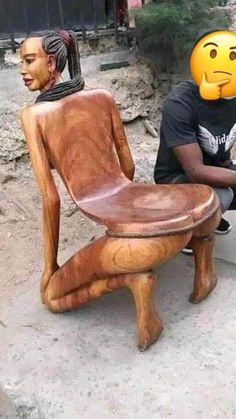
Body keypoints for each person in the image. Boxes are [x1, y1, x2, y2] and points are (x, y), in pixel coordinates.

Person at [154, 30, 236, 253]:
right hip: (176, 178)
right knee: (224, 194)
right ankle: (188, 232)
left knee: (225, 191)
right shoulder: (180, 103)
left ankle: (209, 218)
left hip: (218, 168)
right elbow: (196, 171)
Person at [20, 30, 84, 102]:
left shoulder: (36, 111)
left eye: (29, 61)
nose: (22, 71)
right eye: (22, 62)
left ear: (51, 62)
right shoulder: (78, 101)